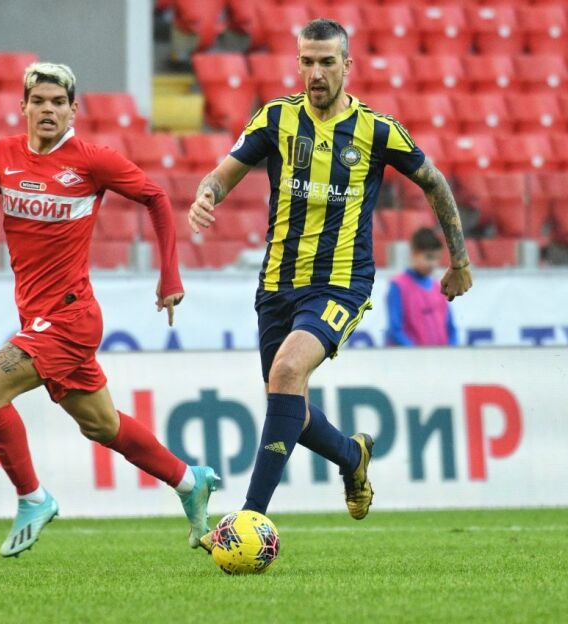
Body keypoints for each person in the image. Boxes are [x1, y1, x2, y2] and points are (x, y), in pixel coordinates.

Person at [188, 19, 473, 543]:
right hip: (277, 283)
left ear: (347, 65)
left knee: (287, 371)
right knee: (287, 402)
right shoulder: (277, 118)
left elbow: (434, 182)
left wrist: (459, 260)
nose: (315, 73)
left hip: (341, 283)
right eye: (307, 61)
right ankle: (351, 455)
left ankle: (247, 520)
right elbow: (223, 173)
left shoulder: (376, 130)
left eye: (326, 62)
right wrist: (206, 195)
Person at [0, 62, 218, 558]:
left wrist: (169, 277)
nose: (47, 110)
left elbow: (156, 198)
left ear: (74, 110)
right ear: (23, 107)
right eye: (38, 101)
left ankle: (33, 498)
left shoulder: (92, 161)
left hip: (70, 319)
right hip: (38, 319)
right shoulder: (3, 155)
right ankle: (188, 480)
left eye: (58, 102)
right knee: (101, 425)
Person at [386, 227, 459, 347]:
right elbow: (395, 330)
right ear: (414, 254)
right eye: (429, 257)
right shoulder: (398, 286)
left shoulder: (439, 288)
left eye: (437, 258)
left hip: (441, 356)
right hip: (411, 357)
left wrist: (452, 350)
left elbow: (451, 328)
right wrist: (418, 353)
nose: (433, 263)